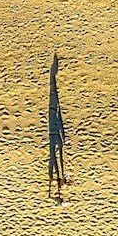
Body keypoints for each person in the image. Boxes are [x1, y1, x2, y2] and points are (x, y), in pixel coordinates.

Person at [48, 50, 67, 200]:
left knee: (56, 157)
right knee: (57, 157)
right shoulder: (55, 108)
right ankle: (57, 183)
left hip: (53, 134)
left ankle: (56, 184)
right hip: (55, 134)